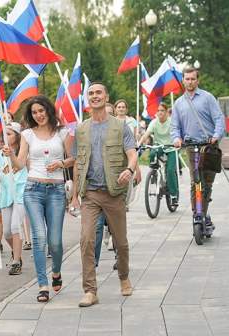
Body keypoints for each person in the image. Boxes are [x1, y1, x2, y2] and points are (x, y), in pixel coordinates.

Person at [70, 83, 138, 307]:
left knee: (121, 242)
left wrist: (129, 169)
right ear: (87, 99)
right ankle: (90, 290)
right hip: (90, 193)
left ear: (106, 96)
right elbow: (78, 163)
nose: (94, 96)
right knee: (86, 240)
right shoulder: (81, 129)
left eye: (98, 93)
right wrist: (74, 195)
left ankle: (124, 277)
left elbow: (131, 153)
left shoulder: (120, 126)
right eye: (90, 93)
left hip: (113, 193)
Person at [4, 95, 74, 303]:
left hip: (56, 191)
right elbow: (19, 165)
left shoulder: (63, 132)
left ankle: (57, 272)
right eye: (34, 112)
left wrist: (60, 164)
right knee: (39, 238)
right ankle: (42, 284)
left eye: (41, 111)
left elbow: (73, 158)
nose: (38, 115)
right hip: (33, 189)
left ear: (48, 110)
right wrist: (10, 154)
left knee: (55, 242)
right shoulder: (27, 134)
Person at [171, 67, 225, 230]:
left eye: (193, 79)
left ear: (197, 80)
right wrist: (176, 138)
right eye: (187, 79)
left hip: (208, 147)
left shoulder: (208, 98)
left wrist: (216, 135)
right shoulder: (179, 103)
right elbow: (175, 126)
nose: (190, 81)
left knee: (207, 183)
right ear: (183, 81)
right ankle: (198, 215)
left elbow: (219, 118)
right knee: (196, 182)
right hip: (191, 147)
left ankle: (204, 213)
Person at [0, 122, 28, 275]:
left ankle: (16, 261)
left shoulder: (23, 150)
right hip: (6, 193)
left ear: (17, 136)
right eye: (4, 134)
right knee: (7, 232)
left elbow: (21, 166)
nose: (6, 137)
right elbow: (2, 173)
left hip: (21, 191)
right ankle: (16, 254)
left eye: (9, 133)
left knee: (16, 226)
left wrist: (12, 155)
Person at [138, 103, 179, 205]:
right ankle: (154, 173)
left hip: (171, 147)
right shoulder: (154, 122)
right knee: (152, 154)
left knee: (170, 171)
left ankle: (173, 196)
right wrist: (139, 143)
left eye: (162, 110)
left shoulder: (171, 122)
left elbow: (177, 134)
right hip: (159, 146)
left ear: (166, 112)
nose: (160, 112)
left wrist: (177, 141)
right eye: (158, 110)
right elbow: (146, 134)